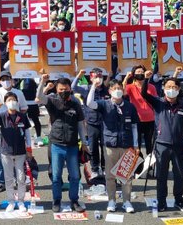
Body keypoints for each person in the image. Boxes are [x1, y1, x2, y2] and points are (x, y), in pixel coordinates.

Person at [141, 69, 183, 212]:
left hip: (178, 146)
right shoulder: (158, 103)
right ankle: (162, 202)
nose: (172, 89)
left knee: (179, 175)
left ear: (178, 90)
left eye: (175, 87)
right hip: (161, 145)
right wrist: (146, 80)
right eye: (169, 87)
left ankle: (179, 201)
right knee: (162, 176)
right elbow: (144, 94)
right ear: (164, 89)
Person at [36, 73, 88, 213]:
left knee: (75, 176)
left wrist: (84, 142)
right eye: (60, 89)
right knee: (56, 176)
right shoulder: (52, 101)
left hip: (72, 146)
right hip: (56, 145)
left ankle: (74, 200)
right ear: (56, 90)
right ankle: (56, 200)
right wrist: (42, 82)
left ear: (70, 89)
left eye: (66, 89)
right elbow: (39, 98)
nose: (63, 91)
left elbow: (80, 124)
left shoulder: (75, 104)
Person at [86, 79, 138, 213]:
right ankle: (111, 201)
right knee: (110, 176)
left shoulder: (130, 106)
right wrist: (93, 86)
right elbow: (89, 103)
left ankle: (126, 202)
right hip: (110, 144)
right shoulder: (104, 104)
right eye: (114, 88)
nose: (117, 90)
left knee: (126, 176)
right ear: (109, 91)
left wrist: (136, 145)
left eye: (119, 88)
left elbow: (134, 127)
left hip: (127, 144)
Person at [0, 93, 33, 212]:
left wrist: (29, 149)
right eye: (9, 100)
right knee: (8, 178)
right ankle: (11, 201)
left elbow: (27, 134)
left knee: (21, 177)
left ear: (17, 102)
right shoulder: (2, 115)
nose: (11, 102)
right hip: (6, 151)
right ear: (6, 103)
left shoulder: (22, 116)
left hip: (20, 151)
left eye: (13, 100)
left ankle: (21, 201)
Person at [72, 68, 109, 179]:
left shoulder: (106, 90)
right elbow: (73, 88)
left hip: (105, 123)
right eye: (96, 77)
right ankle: (94, 169)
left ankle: (104, 168)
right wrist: (79, 76)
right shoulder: (86, 89)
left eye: (100, 77)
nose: (98, 79)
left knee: (105, 147)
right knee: (93, 147)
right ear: (91, 78)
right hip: (91, 122)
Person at [123, 65, 157, 155]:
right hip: (136, 119)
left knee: (149, 143)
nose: (140, 74)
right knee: (136, 144)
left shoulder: (151, 87)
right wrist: (126, 78)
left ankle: (150, 165)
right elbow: (123, 93)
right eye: (138, 72)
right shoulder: (130, 87)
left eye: (142, 72)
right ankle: (138, 165)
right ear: (133, 75)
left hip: (150, 119)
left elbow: (155, 101)